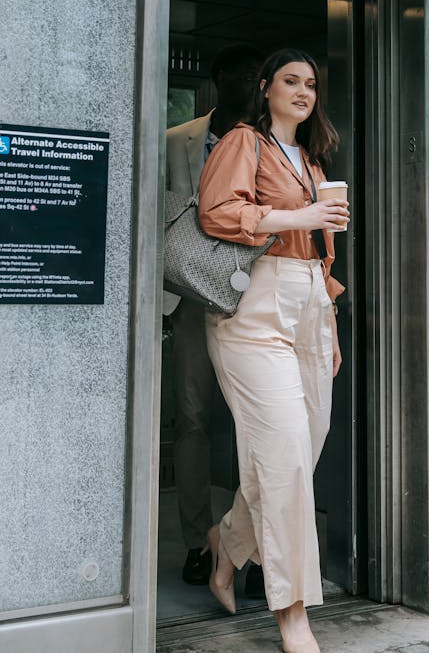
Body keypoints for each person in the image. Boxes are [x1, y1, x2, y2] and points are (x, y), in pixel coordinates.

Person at [197, 47, 349, 653]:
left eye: (311, 84)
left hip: (312, 304)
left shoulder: (311, 159)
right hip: (255, 310)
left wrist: (330, 323)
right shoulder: (243, 142)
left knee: (301, 448)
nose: (303, 91)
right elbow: (217, 212)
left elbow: (321, 252)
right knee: (283, 454)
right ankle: (292, 614)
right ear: (265, 88)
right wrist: (303, 213)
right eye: (291, 81)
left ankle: (228, 542)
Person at [165, 43, 264, 587]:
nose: (253, 81)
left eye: (260, 73)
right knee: (193, 420)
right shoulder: (176, 141)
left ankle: (243, 548)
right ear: (217, 74)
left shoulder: (273, 144)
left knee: (256, 426)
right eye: (245, 71)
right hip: (190, 300)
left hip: (253, 301)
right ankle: (197, 540)